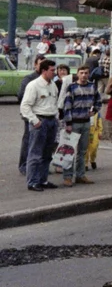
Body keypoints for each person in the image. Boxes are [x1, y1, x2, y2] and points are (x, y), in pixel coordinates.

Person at [20, 59, 60, 192]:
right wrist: (34, 120)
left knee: (47, 153)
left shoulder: (52, 85)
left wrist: (56, 119)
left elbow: (54, 103)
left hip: (51, 120)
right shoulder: (34, 85)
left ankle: (43, 179)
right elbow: (25, 106)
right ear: (43, 71)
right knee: (35, 153)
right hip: (40, 120)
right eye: (52, 70)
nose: (54, 73)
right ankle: (32, 181)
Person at [62, 66, 100, 186]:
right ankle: (67, 176)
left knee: (83, 151)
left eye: (86, 73)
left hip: (86, 122)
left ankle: (80, 175)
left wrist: (94, 111)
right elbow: (67, 106)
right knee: (69, 151)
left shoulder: (92, 86)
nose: (84, 75)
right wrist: (68, 123)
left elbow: (98, 101)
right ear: (77, 74)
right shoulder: (72, 87)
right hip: (74, 123)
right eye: (81, 73)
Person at [17, 56, 44, 176]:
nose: (43, 67)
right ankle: (24, 165)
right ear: (35, 65)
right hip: (30, 115)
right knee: (28, 140)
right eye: (40, 64)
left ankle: (37, 165)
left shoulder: (47, 79)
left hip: (43, 115)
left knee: (40, 141)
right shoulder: (29, 79)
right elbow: (21, 96)